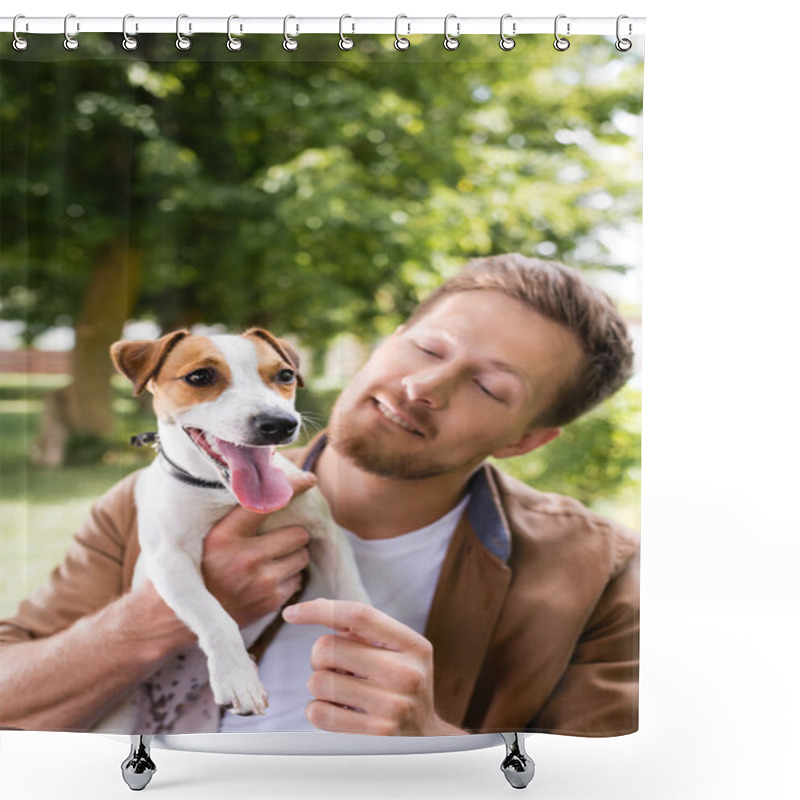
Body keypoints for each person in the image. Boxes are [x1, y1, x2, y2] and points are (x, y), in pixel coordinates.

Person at [0, 253, 639, 737]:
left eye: (491, 387)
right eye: (425, 347)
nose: (423, 386)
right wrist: (150, 621)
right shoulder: (145, 500)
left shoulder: (601, 577)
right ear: (388, 340)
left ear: (526, 439)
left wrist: (435, 744)